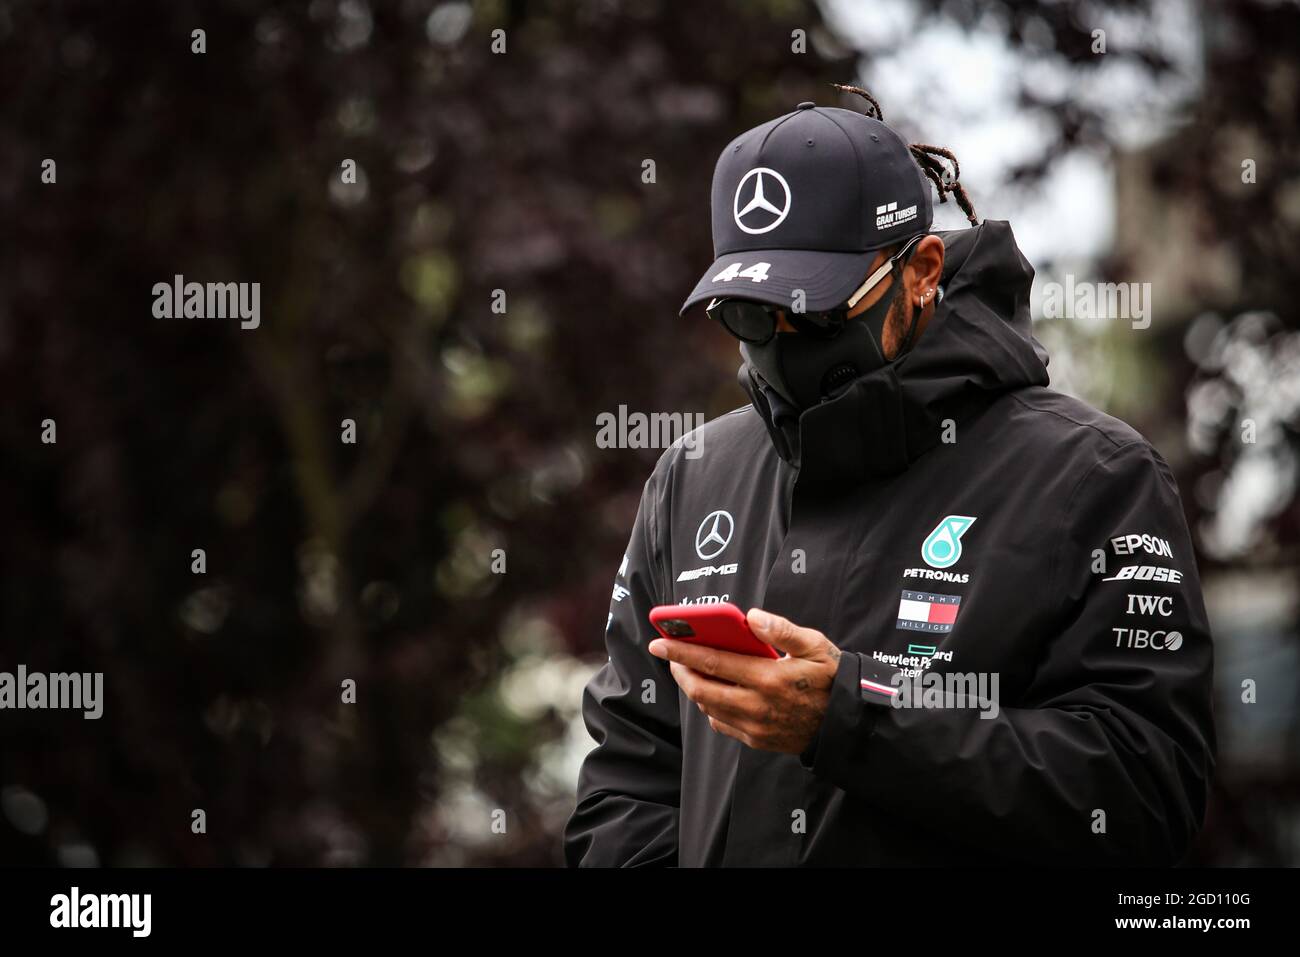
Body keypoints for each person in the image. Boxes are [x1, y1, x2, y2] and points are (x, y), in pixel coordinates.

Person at [563, 86, 1216, 867]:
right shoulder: (693, 478)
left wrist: (853, 713)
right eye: (749, 314)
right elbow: (627, 782)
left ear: (921, 271)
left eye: (812, 311)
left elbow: (1145, 793)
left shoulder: (1094, 476)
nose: (779, 341)